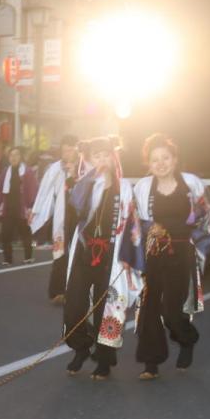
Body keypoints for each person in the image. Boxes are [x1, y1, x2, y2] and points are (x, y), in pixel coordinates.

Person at [133, 134, 210, 380]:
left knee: (171, 311)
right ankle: (151, 362)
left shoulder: (191, 184)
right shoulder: (142, 187)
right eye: (154, 159)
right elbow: (134, 224)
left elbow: (209, 219)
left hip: (182, 253)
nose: (160, 163)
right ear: (148, 163)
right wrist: (149, 233)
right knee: (148, 308)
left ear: (175, 159)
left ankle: (187, 338)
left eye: (165, 158)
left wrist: (199, 251)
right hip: (153, 253)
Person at [62, 137, 142, 381]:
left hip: (111, 256)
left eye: (106, 155)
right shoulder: (83, 186)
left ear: (113, 157)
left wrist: (130, 256)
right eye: (96, 156)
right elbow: (73, 212)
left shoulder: (124, 187)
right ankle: (81, 347)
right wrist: (84, 179)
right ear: (89, 160)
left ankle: (105, 358)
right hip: (84, 252)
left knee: (107, 307)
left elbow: (132, 224)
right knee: (74, 305)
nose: (102, 160)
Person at [30, 135, 85, 301]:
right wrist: (36, 210)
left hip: (79, 216)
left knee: (79, 253)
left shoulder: (84, 167)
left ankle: (77, 291)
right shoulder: (55, 168)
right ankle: (57, 291)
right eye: (64, 150)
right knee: (60, 252)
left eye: (70, 150)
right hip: (62, 216)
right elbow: (44, 190)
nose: (67, 154)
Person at [0, 146, 40, 266]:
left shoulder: (27, 171)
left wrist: (31, 205)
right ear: (8, 158)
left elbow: (32, 188)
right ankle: (7, 258)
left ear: (20, 157)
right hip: (8, 207)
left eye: (16, 155)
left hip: (22, 207)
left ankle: (28, 256)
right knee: (6, 234)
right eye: (11, 155)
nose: (13, 158)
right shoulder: (5, 171)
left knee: (25, 233)